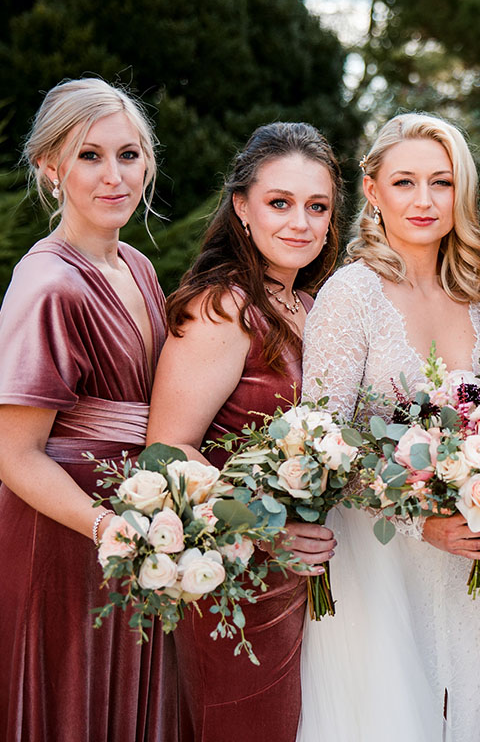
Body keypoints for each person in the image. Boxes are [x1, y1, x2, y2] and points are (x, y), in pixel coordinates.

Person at [0, 77, 177, 740]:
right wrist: (110, 527)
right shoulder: (49, 283)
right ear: (49, 167)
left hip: (127, 533)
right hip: (55, 542)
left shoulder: (136, 266)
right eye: (90, 156)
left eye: (130, 154)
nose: (115, 176)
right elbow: (13, 452)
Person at [297, 113, 480, 742]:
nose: (423, 200)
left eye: (441, 183)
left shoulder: (479, 296)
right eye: (405, 182)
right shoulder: (350, 295)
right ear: (374, 190)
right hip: (377, 556)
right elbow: (319, 449)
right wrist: (419, 519)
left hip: (466, 561)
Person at [145, 122, 342, 741]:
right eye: (279, 203)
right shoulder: (221, 308)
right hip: (238, 579)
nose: (300, 223)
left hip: (309, 578)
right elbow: (165, 449)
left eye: (318, 207)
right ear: (241, 207)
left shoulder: (312, 306)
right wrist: (266, 528)